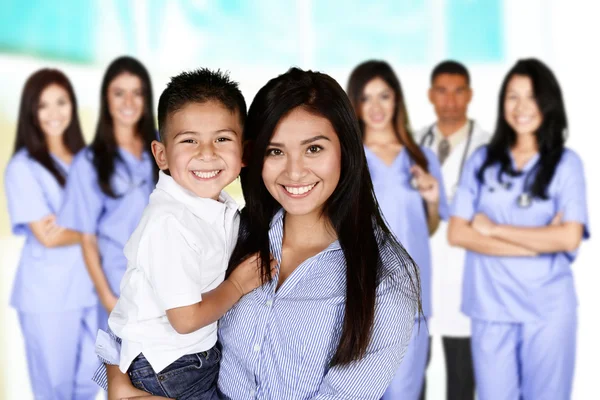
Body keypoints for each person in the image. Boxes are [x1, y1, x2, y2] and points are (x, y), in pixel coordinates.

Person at [94, 67, 421, 399]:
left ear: (345, 150)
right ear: (252, 155)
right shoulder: (235, 231)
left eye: (314, 149)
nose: (295, 171)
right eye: (275, 151)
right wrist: (118, 384)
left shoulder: (385, 280)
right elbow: (140, 307)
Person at [107, 68, 278, 400]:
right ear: (161, 155)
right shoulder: (170, 222)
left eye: (222, 139)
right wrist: (238, 286)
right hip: (170, 364)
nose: (207, 153)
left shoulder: (214, 208)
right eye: (189, 140)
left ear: (244, 152)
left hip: (183, 356)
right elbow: (185, 320)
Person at [448, 58, 589, 400]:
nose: (521, 107)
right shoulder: (482, 161)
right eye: (513, 96)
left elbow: (569, 236)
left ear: (548, 103)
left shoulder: (566, 165)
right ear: (502, 104)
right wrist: (540, 242)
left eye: (531, 97)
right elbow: (458, 233)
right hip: (491, 308)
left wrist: (493, 229)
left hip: (548, 311)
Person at [347, 60, 448, 400]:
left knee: (406, 392)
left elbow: (427, 227)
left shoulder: (422, 159)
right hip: (363, 297)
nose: (376, 107)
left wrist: (432, 200)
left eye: (384, 96)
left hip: (413, 296)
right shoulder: (349, 160)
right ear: (355, 104)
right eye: (366, 98)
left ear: (397, 100)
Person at [4, 69, 99, 399]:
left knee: (91, 385)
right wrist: (97, 226)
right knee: (55, 391)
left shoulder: (88, 161)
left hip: (92, 291)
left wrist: (77, 226)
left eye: (61, 102)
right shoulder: (23, 167)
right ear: (31, 111)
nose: (55, 112)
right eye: (43, 105)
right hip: (49, 298)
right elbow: (48, 236)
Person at [58, 56, 158, 329]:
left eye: (137, 93)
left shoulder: (161, 147)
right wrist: (107, 298)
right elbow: (87, 239)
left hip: (164, 277)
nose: (128, 102)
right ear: (106, 98)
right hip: (119, 284)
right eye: (119, 93)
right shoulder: (89, 163)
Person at [413, 60, 490, 400]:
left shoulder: (489, 149)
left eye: (458, 91)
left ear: (469, 95)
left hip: (466, 279)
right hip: (419, 279)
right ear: (431, 95)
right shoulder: (413, 145)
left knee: (462, 382)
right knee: (413, 378)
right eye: (442, 91)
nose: (450, 100)